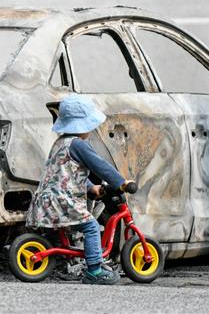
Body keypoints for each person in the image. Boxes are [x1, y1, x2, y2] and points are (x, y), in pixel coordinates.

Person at [25, 94, 133, 285]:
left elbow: (65, 175)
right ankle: (95, 270)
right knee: (91, 227)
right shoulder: (79, 145)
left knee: (84, 226)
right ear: (83, 126)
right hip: (62, 201)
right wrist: (121, 182)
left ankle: (92, 263)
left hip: (47, 199)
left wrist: (91, 188)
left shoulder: (60, 143)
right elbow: (100, 166)